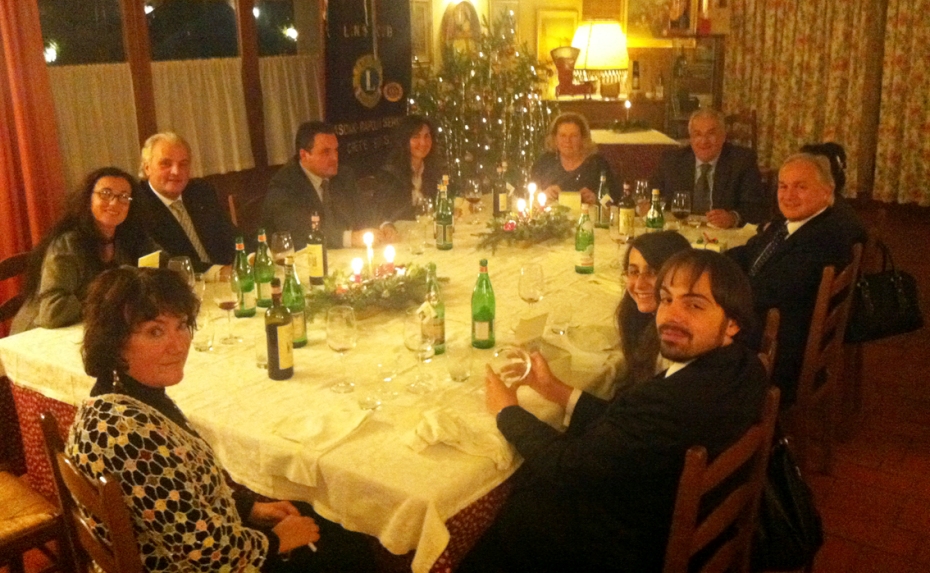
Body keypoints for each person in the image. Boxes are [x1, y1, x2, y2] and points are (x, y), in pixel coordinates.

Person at [460, 250, 768, 572]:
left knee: (510, 507)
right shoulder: (746, 368)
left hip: (630, 546)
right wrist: (555, 390)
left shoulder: (668, 402)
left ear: (732, 322)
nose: (671, 316)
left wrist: (507, 410)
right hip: (674, 515)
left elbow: (568, 466)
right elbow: (630, 432)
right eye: (666, 300)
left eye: (694, 304)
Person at [66, 267, 376, 572]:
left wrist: (248, 509)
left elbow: (174, 503)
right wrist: (274, 541)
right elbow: (208, 556)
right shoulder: (127, 431)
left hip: (193, 547)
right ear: (114, 341)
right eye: (155, 331)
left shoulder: (119, 394)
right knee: (352, 544)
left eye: (182, 325)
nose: (178, 345)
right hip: (205, 563)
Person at [727, 153, 864, 406]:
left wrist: (715, 287)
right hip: (774, 328)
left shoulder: (823, 239)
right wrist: (711, 263)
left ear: (827, 191)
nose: (789, 195)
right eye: (783, 186)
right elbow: (749, 252)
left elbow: (767, 291)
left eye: (801, 187)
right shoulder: (795, 222)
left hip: (779, 353)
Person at [11, 167, 155, 334]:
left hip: (84, 328)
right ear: (88, 199)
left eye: (123, 197)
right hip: (35, 336)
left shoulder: (127, 237)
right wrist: (111, 298)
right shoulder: (68, 245)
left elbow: (161, 264)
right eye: (106, 194)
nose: (115, 202)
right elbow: (53, 311)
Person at [262, 121, 381, 250]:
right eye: (325, 152)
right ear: (304, 155)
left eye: (335, 150)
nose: (334, 158)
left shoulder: (343, 175)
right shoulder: (284, 185)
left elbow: (363, 211)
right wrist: (349, 238)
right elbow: (300, 232)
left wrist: (383, 225)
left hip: (342, 256)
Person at [132, 132, 239, 273]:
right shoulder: (137, 205)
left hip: (226, 280)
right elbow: (163, 262)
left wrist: (252, 255)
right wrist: (216, 272)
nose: (176, 171)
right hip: (180, 287)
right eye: (166, 163)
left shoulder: (201, 191)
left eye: (183, 164)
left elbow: (231, 234)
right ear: (147, 168)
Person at [651, 108, 767, 227]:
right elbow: (654, 195)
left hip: (722, 236)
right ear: (690, 138)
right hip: (681, 232)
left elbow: (755, 206)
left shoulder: (742, 161)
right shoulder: (672, 161)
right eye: (697, 134)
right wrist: (648, 206)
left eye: (711, 134)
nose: (704, 141)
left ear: (723, 136)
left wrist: (733, 217)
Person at [616, 231, 691, 388]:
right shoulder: (638, 317)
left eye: (653, 272)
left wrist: (552, 387)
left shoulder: (675, 342)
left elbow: (651, 411)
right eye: (634, 272)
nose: (639, 285)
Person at [530, 112, 621, 205]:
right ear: (555, 138)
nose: (567, 141)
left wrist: (597, 200)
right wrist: (542, 196)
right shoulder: (544, 163)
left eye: (573, 136)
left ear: (582, 138)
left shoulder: (597, 164)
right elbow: (530, 197)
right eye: (562, 135)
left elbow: (615, 199)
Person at [372, 115, 446, 224]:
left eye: (427, 136)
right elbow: (380, 214)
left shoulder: (434, 170)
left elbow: (442, 200)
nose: (423, 143)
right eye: (416, 137)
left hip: (429, 230)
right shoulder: (390, 174)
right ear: (404, 140)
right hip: (402, 234)